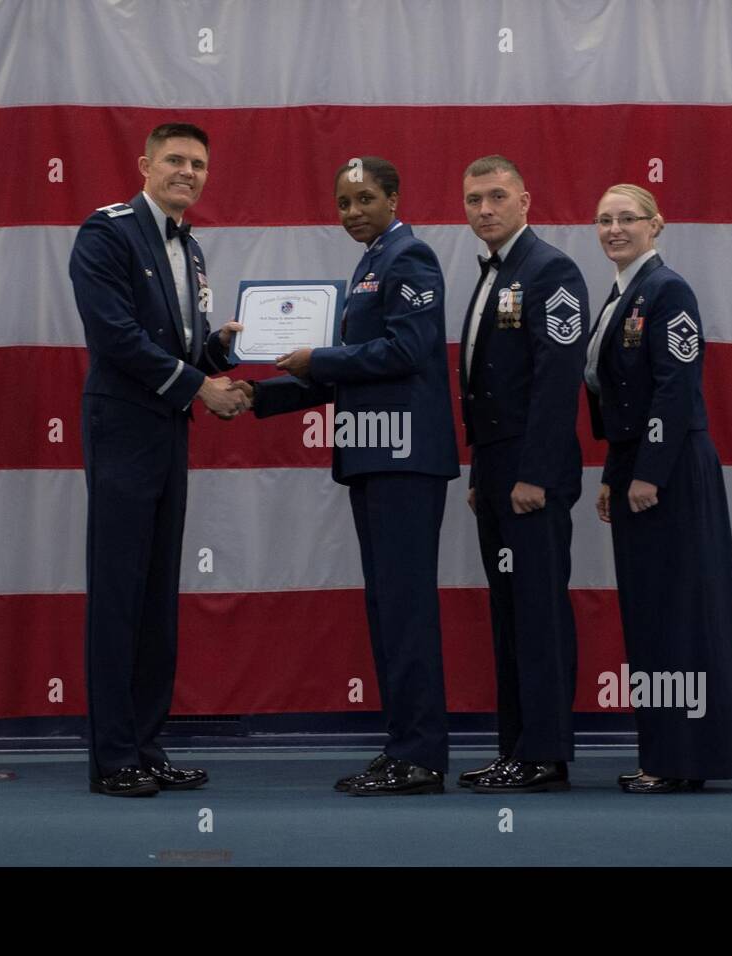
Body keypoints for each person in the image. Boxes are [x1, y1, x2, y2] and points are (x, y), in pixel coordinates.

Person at [234, 157, 459, 795]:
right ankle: (403, 747)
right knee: (388, 608)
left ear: (394, 196)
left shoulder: (409, 258)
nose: (352, 212)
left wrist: (319, 356)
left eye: (364, 199)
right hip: (373, 458)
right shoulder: (371, 265)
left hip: (404, 460)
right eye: (342, 203)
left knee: (406, 610)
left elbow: (407, 352)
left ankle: (420, 755)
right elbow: (347, 369)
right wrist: (261, 395)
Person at [69, 122, 248, 797]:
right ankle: (113, 757)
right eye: (175, 159)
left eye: (199, 163)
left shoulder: (192, 248)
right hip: (121, 427)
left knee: (156, 597)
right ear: (144, 164)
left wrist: (218, 355)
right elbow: (114, 337)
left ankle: (146, 746)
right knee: (119, 594)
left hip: (169, 429)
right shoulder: (106, 233)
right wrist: (200, 384)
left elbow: (179, 345)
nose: (188, 172)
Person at [584, 184, 732, 793]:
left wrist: (649, 474)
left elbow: (674, 389)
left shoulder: (667, 290)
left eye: (627, 218)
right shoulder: (620, 294)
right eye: (604, 220)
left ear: (657, 224)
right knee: (651, 614)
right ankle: (663, 750)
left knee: (681, 612)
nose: (613, 229)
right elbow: (617, 401)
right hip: (637, 467)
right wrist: (614, 473)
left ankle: (688, 755)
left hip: (674, 469)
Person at [455, 156, 588, 793]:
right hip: (500, 471)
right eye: (474, 199)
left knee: (537, 611)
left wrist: (532, 474)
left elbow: (557, 383)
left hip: (534, 474)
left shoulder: (551, 270)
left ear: (525, 200)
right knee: (508, 612)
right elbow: (489, 390)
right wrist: (484, 471)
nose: (484, 209)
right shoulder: (495, 272)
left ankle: (544, 753)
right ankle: (517, 748)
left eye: (496, 197)